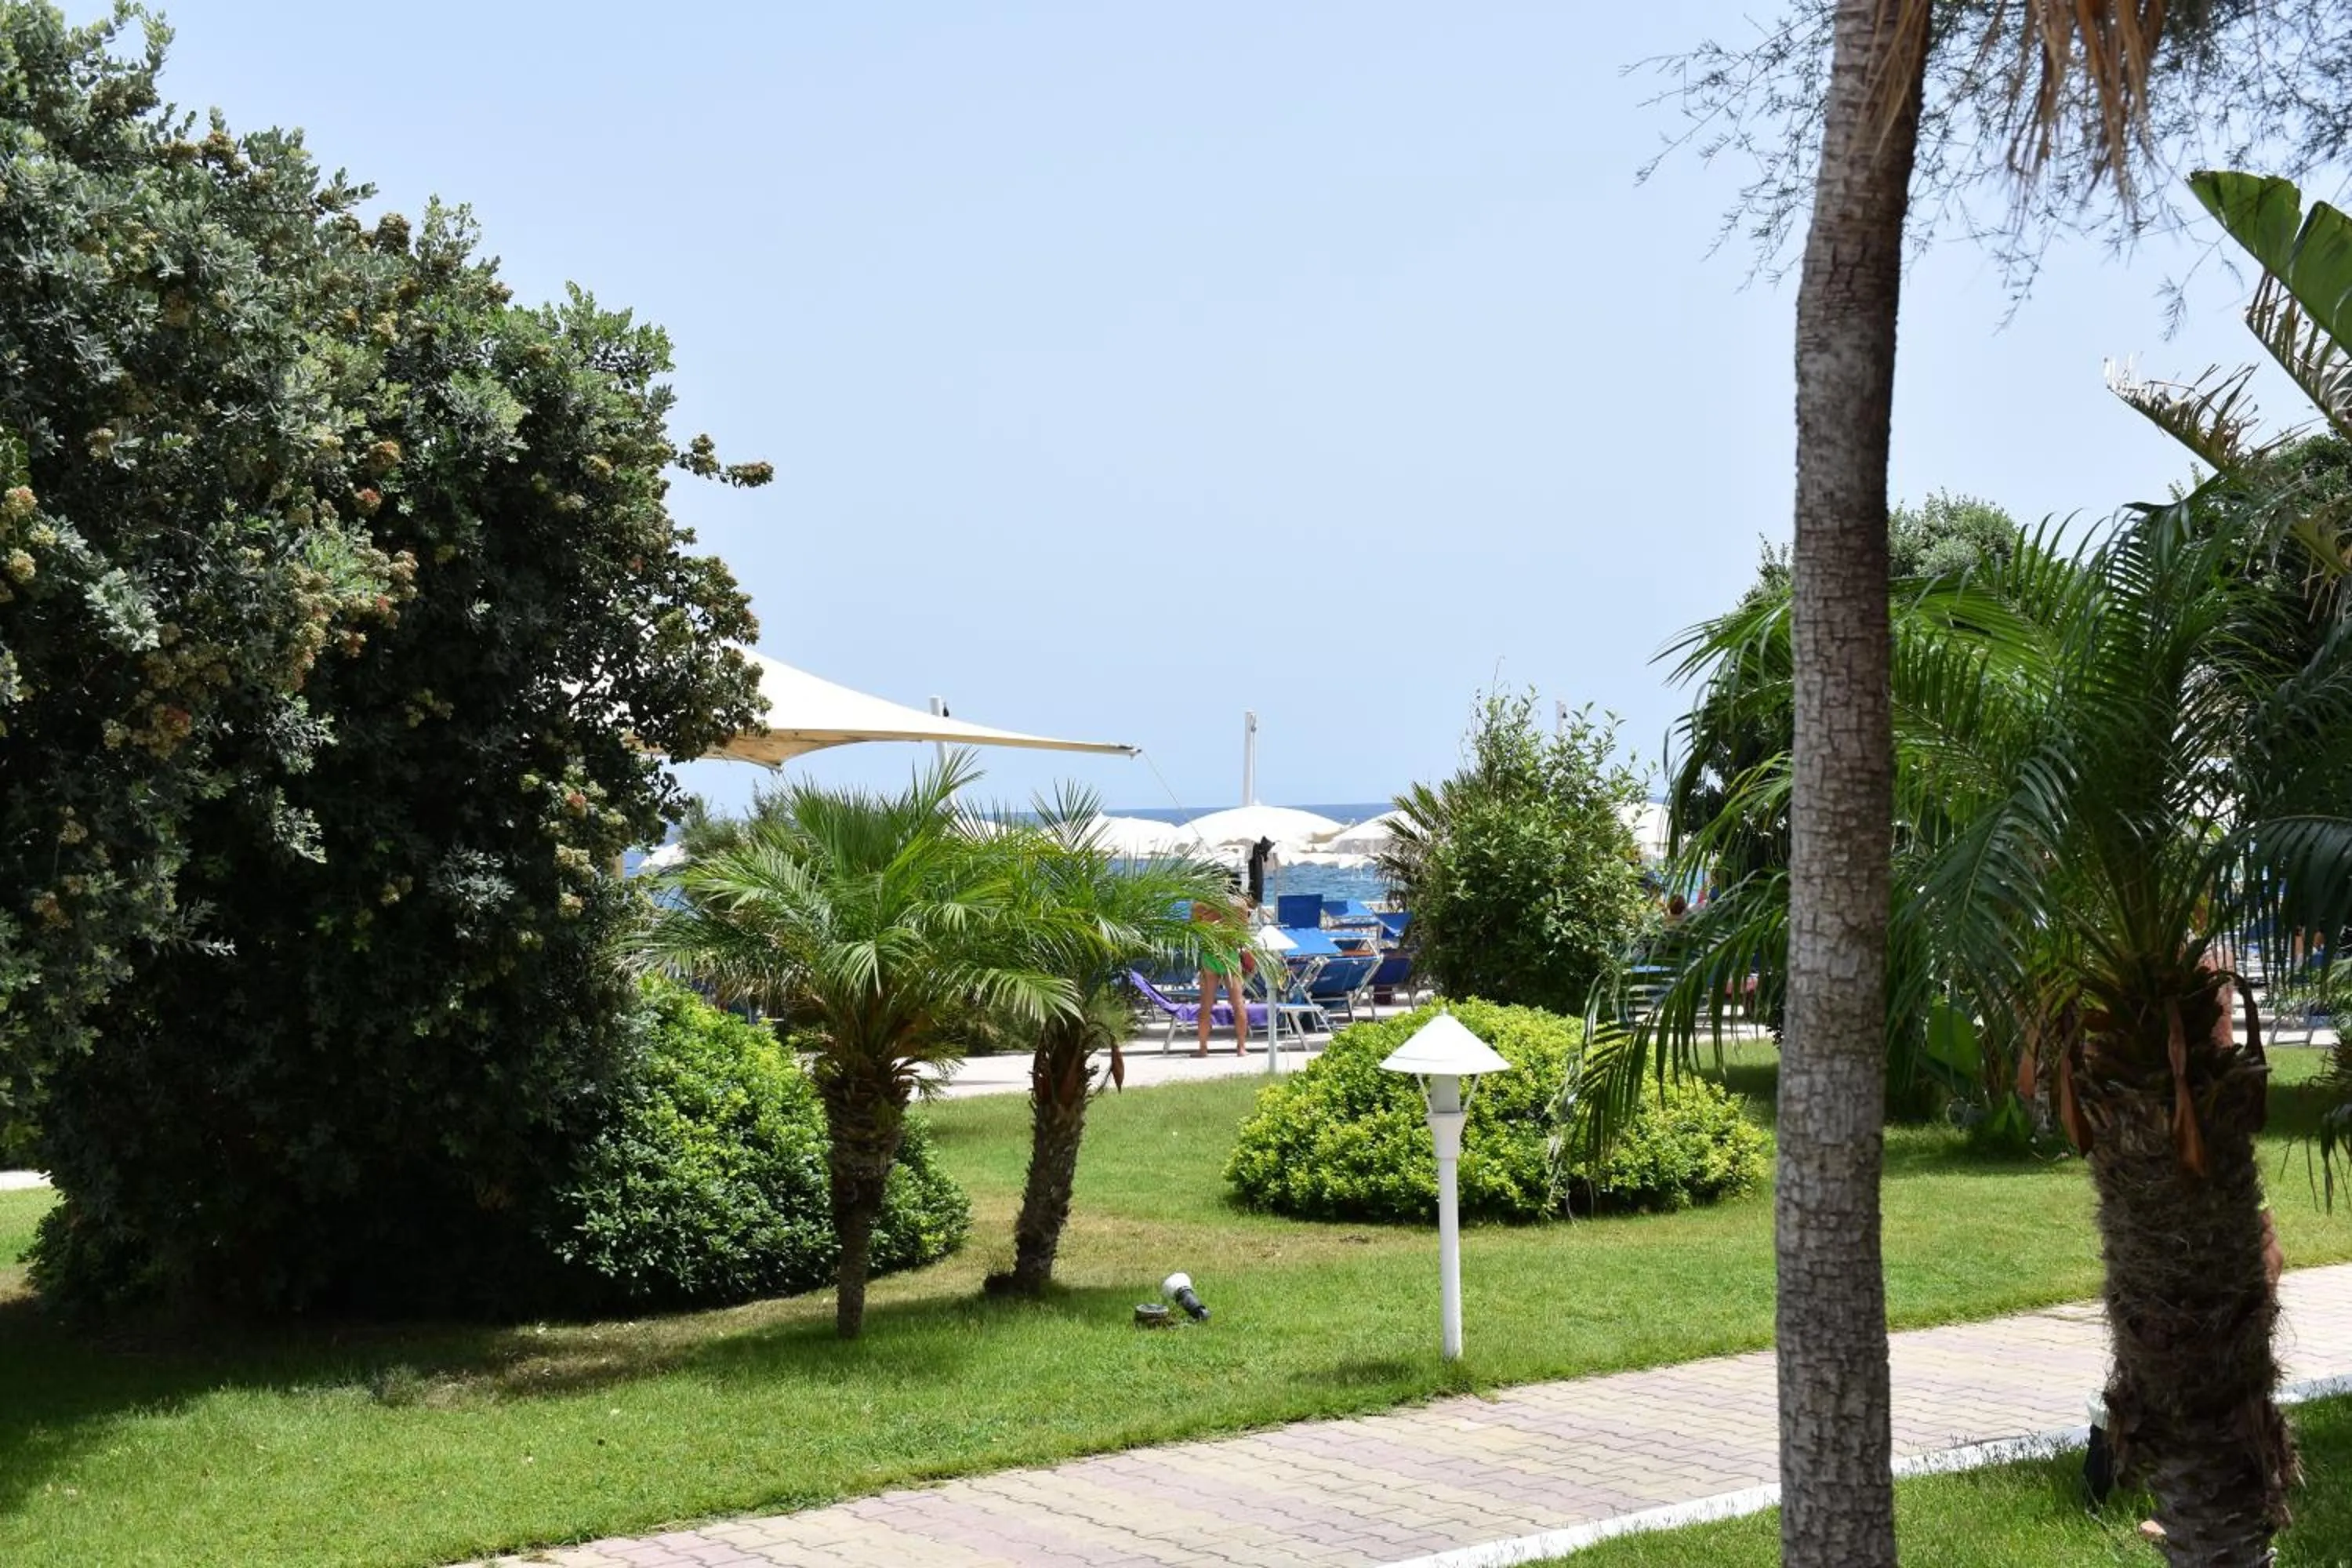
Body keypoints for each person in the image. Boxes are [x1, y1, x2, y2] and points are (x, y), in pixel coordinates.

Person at [1192, 873, 1252, 1058]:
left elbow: (1194, 928)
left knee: (1206, 1004)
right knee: (1238, 1002)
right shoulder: (1240, 905)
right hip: (1230, 953)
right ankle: (1241, 1048)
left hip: (1210, 953)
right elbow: (1243, 932)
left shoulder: (1200, 904)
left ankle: (1203, 1049)